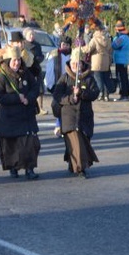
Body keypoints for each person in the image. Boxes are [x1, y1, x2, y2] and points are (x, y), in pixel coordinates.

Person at [0, 46, 41, 180]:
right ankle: (13, 168)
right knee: (11, 146)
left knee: (30, 144)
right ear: (8, 60)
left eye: (18, 60)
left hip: (26, 116)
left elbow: (35, 87)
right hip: (9, 118)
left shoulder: (26, 73)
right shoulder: (2, 76)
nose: (17, 63)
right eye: (14, 60)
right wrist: (16, 98)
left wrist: (28, 98)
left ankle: (29, 169)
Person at [52, 47, 100, 178]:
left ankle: (72, 162)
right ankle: (80, 168)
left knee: (83, 141)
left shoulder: (89, 78)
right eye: (73, 63)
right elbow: (57, 96)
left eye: (78, 64)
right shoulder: (64, 78)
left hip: (85, 116)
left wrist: (82, 93)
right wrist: (70, 98)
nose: (75, 66)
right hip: (69, 116)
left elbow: (95, 93)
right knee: (76, 142)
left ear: (83, 64)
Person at [45, 36, 73, 137]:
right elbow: (50, 70)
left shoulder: (73, 55)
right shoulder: (54, 55)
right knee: (58, 106)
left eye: (67, 45)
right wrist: (50, 84)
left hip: (70, 85)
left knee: (68, 106)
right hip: (58, 84)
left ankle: (65, 127)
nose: (65, 46)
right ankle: (59, 125)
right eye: (63, 44)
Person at [82, 27, 114, 101]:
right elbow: (110, 50)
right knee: (106, 78)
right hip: (106, 61)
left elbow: (88, 49)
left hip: (97, 61)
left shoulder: (95, 39)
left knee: (98, 79)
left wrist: (81, 48)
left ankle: (101, 93)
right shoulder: (108, 39)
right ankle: (106, 95)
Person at [22, 27, 46, 115]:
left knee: (40, 88)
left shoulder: (37, 45)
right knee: (28, 88)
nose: (32, 36)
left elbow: (40, 55)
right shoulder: (23, 44)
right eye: (30, 34)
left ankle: (41, 107)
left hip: (36, 68)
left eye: (33, 34)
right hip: (27, 69)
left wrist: (39, 58)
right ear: (26, 35)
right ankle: (29, 105)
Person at [111, 19, 129, 101]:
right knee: (124, 78)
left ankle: (124, 94)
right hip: (123, 60)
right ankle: (125, 94)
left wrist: (113, 38)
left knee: (122, 78)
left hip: (121, 60)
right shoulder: (127, 37)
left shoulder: (122, 38)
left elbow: (114, 45)